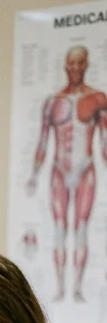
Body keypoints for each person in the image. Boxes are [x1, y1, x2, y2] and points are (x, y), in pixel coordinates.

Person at [27, 45, 107, 302]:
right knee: (60, 229)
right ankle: (61, 288)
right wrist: (34, 175)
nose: (75, 68)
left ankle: (78, 289)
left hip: (85, 169)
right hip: (59, 171)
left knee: (81, 228)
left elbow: (105, 140)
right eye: (71, 63)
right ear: (65, 65)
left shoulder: (98, 99)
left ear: (86, 65)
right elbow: (42, 141)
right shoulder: (52, 102)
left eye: (79, 62)